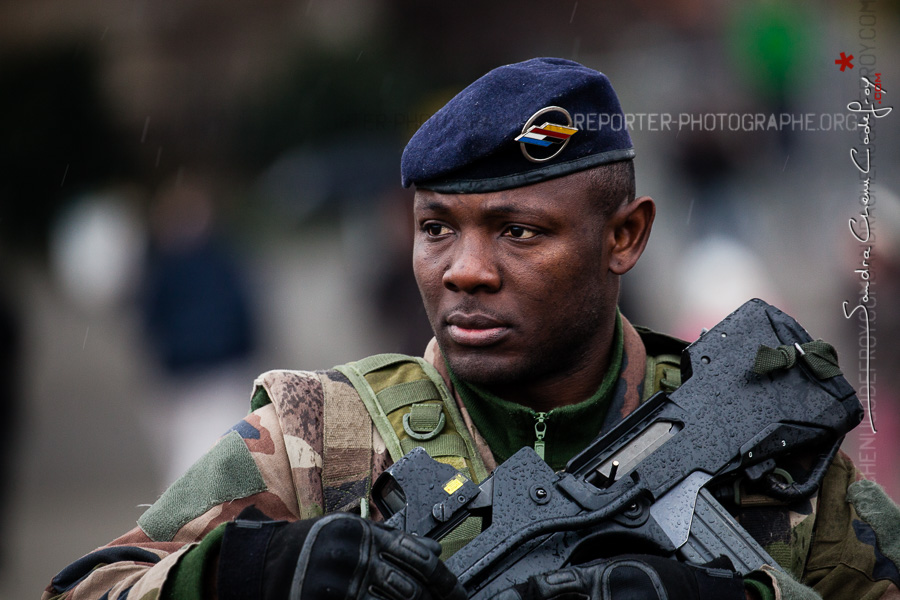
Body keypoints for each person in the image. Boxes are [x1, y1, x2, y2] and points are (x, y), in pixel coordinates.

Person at [44, 58, 900, 600]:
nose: (464, 269)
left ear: (625, 236)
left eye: (519, 231)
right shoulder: (317, 441)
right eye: (436, 228)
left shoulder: (765, 445)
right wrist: (231, 576)